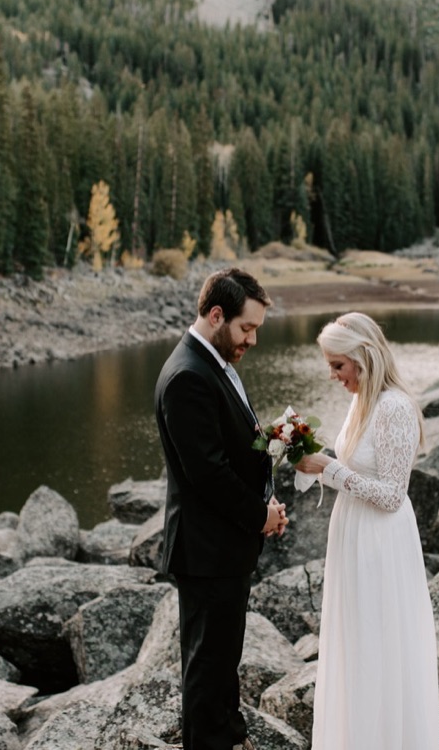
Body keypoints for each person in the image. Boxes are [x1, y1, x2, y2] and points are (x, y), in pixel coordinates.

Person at [155, 267, 289, 750]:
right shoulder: (188, 376)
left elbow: (235, 448)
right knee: (207, 667)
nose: (251, 339)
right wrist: (260, 516)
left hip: (221, 548)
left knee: (221, 659)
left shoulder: (212, 362)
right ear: (216, 315)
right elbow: (207, 475)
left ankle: (229, 737)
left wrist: (265, 493)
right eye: (246, 328)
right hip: (206, 551)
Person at [295, 312, 439, 749]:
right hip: (352, 534)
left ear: (363, 356)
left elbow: (393, 494)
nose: (333, 375)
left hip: (381, 541)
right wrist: (309, 458)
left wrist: (331, 470)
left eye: (338, 365)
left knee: (379, 646)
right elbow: (355, 466)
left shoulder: (394, 406)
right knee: (354, 647)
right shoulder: (362, 401)